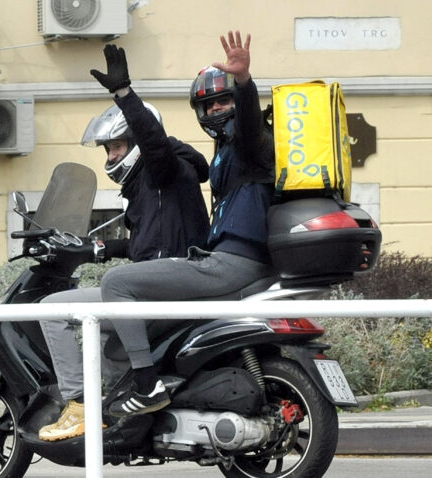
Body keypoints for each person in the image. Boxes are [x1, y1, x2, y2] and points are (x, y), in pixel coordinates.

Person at [37, 43, 211, 441]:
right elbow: (149, 246)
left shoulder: (163, 171)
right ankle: (118, 413)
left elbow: (154, 141)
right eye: (108, 149)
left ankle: (78, 404)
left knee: (50, 310)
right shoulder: (154, 189)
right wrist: (100, 248)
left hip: (165, 289)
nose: (111, 155)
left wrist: (124, 95)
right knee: (100, 329)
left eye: (116, 146)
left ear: (139, 143)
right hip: (164, 281)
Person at [101, 30, 276, 418]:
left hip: (232, 264)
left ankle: (147, 387)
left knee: (115, 284)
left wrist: (244, 83)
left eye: (223, 101)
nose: (216, 111)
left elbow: (244, 125)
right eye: (208, 106)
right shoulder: (226, 153)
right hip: (228, 262)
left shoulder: (252, 145)